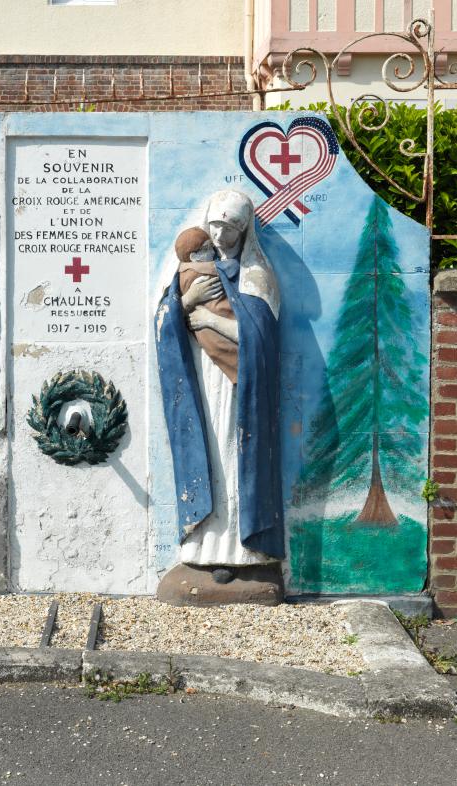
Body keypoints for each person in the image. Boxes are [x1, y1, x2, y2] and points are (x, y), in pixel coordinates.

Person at [154, 190, 285, 605]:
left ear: (245, 230)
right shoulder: (189, 270)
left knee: (235, 455)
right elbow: (164, 322)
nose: (221, 235)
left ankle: (244, 550)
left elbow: (261, 338)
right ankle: (202, 549)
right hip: (200, 381)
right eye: (215, 227)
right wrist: (185, 302)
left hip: (240, 386)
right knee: (207, 451)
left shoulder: (256, 276)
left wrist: (210, 317)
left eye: (230, 228)